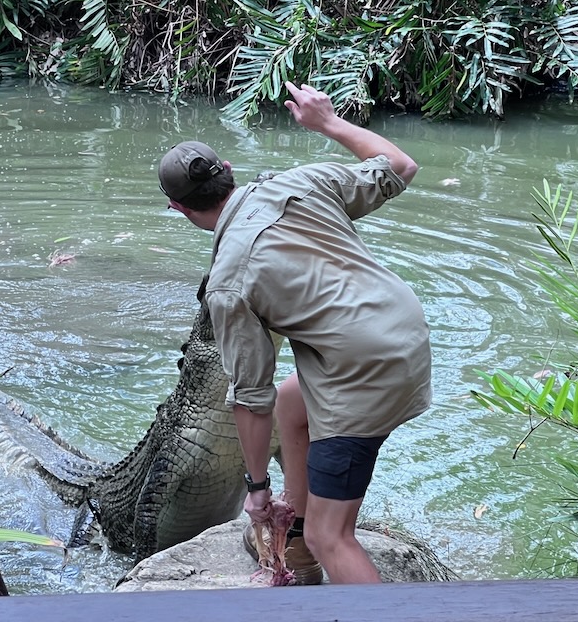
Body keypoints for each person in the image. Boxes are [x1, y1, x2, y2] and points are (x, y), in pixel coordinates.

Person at [156, 81, 432, 585]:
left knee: (335, 537)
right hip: (405, 329)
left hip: (364, 371)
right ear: (228, 171)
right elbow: (401, 165)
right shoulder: (299, 180)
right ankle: (297, 539)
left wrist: (257, 489)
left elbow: (250, 397)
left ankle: (326, 550)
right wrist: (328, 123)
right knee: (291, 403)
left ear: (178, 208)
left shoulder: (228, 283)